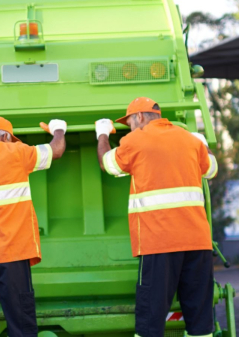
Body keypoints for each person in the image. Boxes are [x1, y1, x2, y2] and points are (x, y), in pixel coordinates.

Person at [95, 97, 218, 337]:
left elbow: (108, 165)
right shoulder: (190, 141)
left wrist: (102, 134)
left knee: (151, 320)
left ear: (140, 117)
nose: (129, 127)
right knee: (200, 319)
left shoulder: (136, 140)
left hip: (159, 243)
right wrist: (203, 143)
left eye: (129, 122)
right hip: (198, 243)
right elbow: (211, 169)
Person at [0, 116, 67, 337]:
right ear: (5, 137)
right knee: (21, 324)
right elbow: (56, 151)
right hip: (10, 253)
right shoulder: (15, 153)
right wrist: (59, 130)